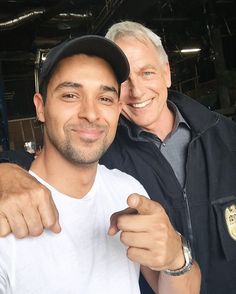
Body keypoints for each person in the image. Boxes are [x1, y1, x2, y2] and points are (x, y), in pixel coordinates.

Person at [2, 19, 235, 294]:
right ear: (40, 108)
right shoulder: (10, 211)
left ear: (166, 73)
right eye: (70, 95)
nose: (90, 112)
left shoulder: (128, 190)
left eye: (104, 98)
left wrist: (177, 258)